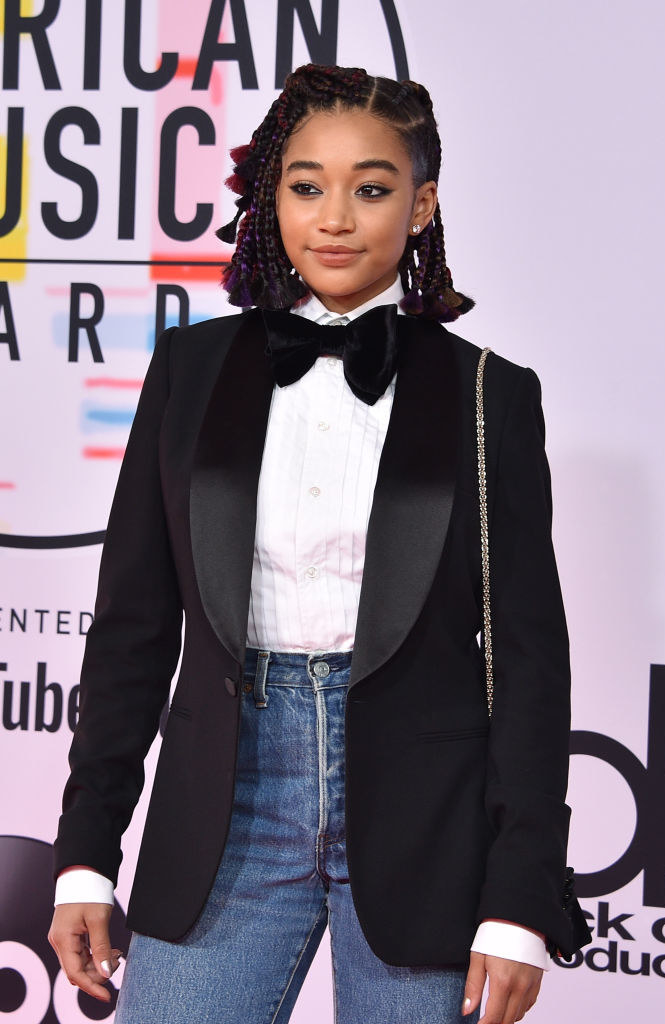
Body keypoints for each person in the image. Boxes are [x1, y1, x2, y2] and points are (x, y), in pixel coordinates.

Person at [48, 64, 589, 1024]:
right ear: (273, 199)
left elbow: (530, 664)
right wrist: (85, 853)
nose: (334, 216)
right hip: (226, 803)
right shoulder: (190, 370)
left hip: (426, 820)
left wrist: (518, 901)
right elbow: (132, 629)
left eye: (371, 188)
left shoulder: (488, 396)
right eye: (306, 186)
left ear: (420, 206)